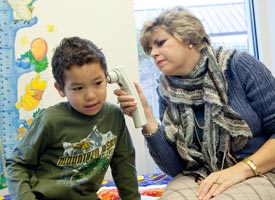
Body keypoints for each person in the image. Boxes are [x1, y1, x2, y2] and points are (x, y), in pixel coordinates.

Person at [114, 6, 275, 200]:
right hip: (200, 174)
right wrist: (146, 116)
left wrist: (240, 170)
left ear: (189, 38)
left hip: (260, 169)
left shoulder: (239, 65)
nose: (153, 53)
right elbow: (176, 167)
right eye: (150, 48)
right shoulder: (166, 90)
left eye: (160, 43)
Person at [6, 36, 141, 200]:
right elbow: (16, 165)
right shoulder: (50, 119)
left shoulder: (114, 116)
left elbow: (124, 165)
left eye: (98, 83)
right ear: (60, 89)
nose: (90, 96)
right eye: (78, 88)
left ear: (107, 78)